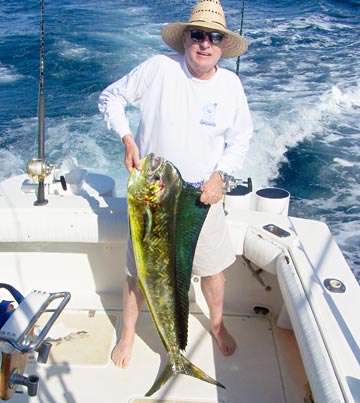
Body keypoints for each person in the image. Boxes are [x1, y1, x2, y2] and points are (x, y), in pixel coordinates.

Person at [98, 0, 253, 369]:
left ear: (222, 46)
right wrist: (126, 139)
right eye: (198, 35)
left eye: (214, 37)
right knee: (139, 271)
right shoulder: (157, 69)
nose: (205, 43)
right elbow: (111, 97)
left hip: (202, 196)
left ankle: (215, 324)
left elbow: (241, 140)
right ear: (185, 39)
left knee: (213, 269)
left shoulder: (231, 85)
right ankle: (128, 333)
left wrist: (221, 176)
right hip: (155, 195)